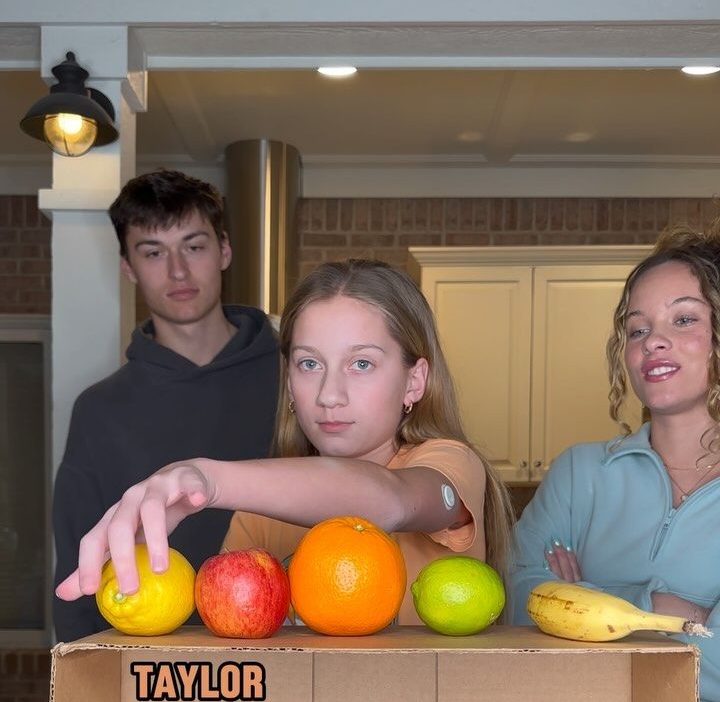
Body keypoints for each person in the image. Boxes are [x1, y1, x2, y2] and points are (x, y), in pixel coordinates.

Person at [55, 258, 514, 625]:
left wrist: (207, 479)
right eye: (310, 364)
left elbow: (390, 502)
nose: (330, 395)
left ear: (414, 381)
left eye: (362, 365)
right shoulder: (258, 515)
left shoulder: (450, 466)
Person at [507, 223, 720, 702]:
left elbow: (556, 607)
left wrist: (589, 602)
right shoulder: (580, 473)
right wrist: (664, 608)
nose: (653, 340)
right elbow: (517, 603)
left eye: (683, 320)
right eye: (636, 328)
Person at [52, 168, 279, 642]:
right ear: (128, 267)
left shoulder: (298, 377)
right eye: (153, 252)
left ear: (225, 250)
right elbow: (76, 565)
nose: (178, 270)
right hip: (152, 667)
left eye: (194, 247)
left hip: (298, 647)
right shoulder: (99, 409)